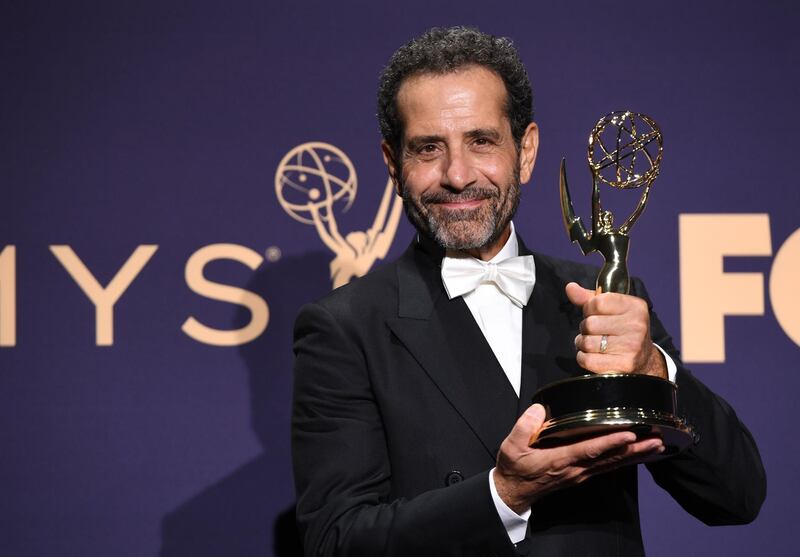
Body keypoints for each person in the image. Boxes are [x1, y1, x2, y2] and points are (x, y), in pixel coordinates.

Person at [291, 27, 765, 557]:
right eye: (428, 148)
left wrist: (655, 371)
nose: (457, 174)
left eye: (482, 141)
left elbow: (737, 497)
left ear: (527, 150)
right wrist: (503, 494)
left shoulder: (602, 300)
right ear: (392, 164)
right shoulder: (346, 327)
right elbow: (336, 542)